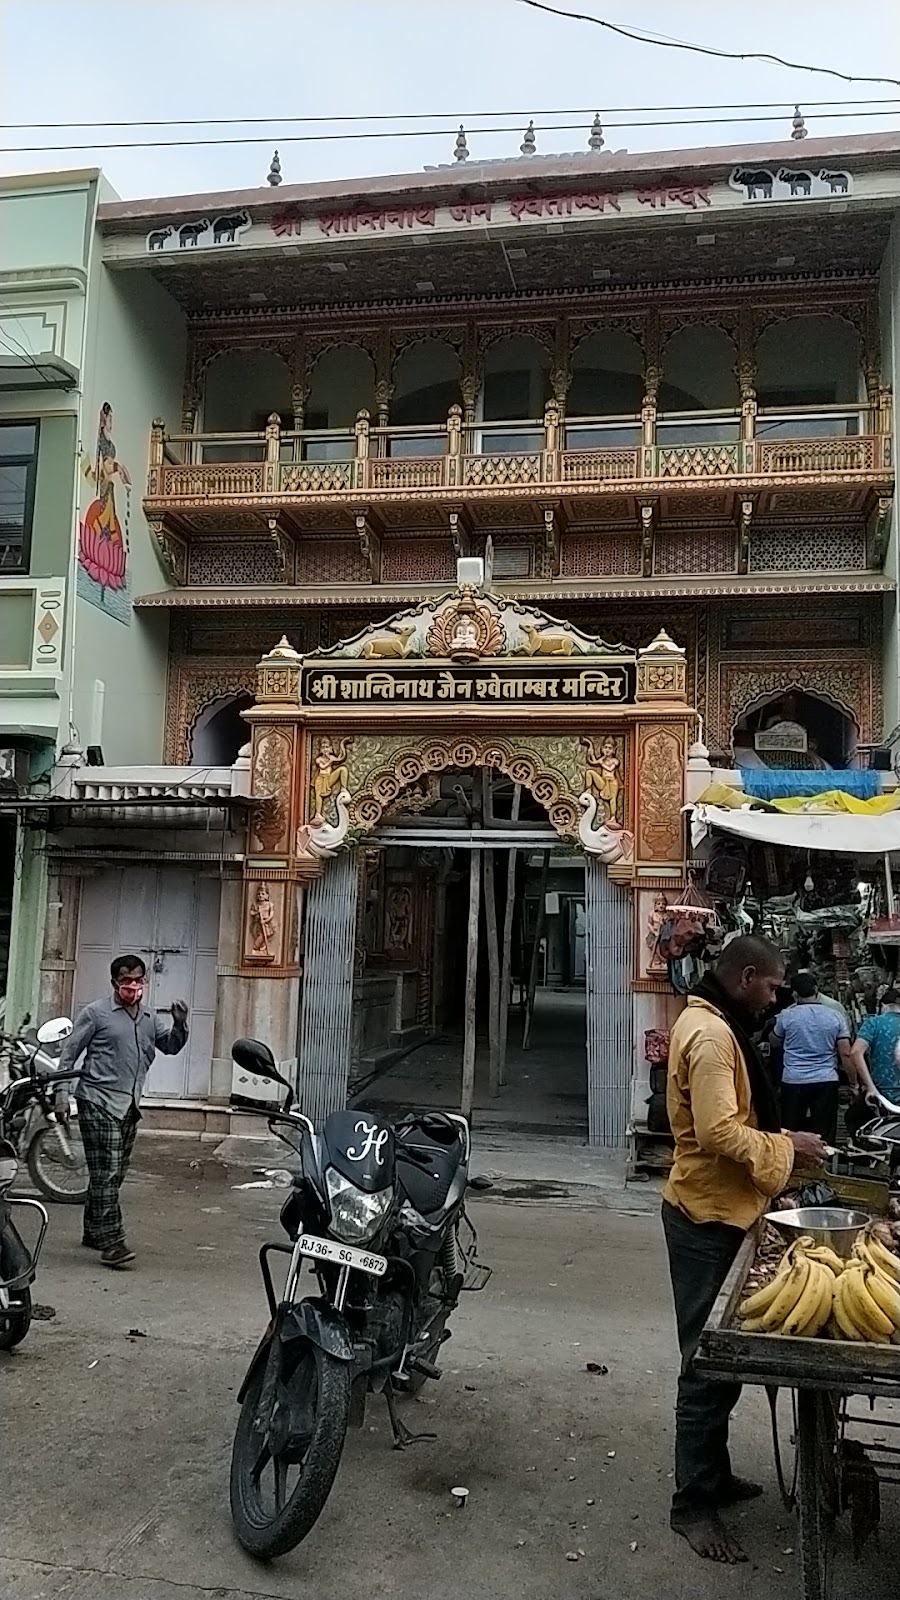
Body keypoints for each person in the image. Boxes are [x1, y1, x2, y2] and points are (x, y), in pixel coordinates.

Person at [663, 935, 828, 1565]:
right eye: (773, 986)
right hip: (704, 1215)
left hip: (726, 1207)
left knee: (722, 1361)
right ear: (747, 975)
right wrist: (788, 1149)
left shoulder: (716, 1021)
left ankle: (714, 1475)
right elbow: (718, 1132)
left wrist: (783, 1141)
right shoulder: (710, 1037)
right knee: (705, 1364)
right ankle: (692, 1507)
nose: (776, 997)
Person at [58, 955, 188, 1269]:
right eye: (126, 980)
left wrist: (180, 1024)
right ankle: (112, 1242)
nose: (133, 985)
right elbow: (70, 1053)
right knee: (106, 1171)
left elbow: (170, 1046)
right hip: (97, 1100)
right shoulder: (96, 1013)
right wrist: (61, 1094)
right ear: (114, 982)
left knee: (114, 1173)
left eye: (138, 979)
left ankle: (93, 1230)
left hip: (129, 1105)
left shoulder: (149, 1018)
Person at [772, 971, 853, 1143]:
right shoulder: (835, 1015)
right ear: (816, 989)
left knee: (791, 1132)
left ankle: (793, 1158)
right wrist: (853, 1082)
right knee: (825, 1132)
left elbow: (775, 1041)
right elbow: (845, 1052)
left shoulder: (786, 1015)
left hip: (793, 1080)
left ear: (794, 994)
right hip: (826, 1079)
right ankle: (825, 1157)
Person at [851, 988, 900, 1106]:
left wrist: (870, 1087)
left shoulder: (873, 1023)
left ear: (883, 1005)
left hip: (882, 1093)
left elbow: (856, 1052)